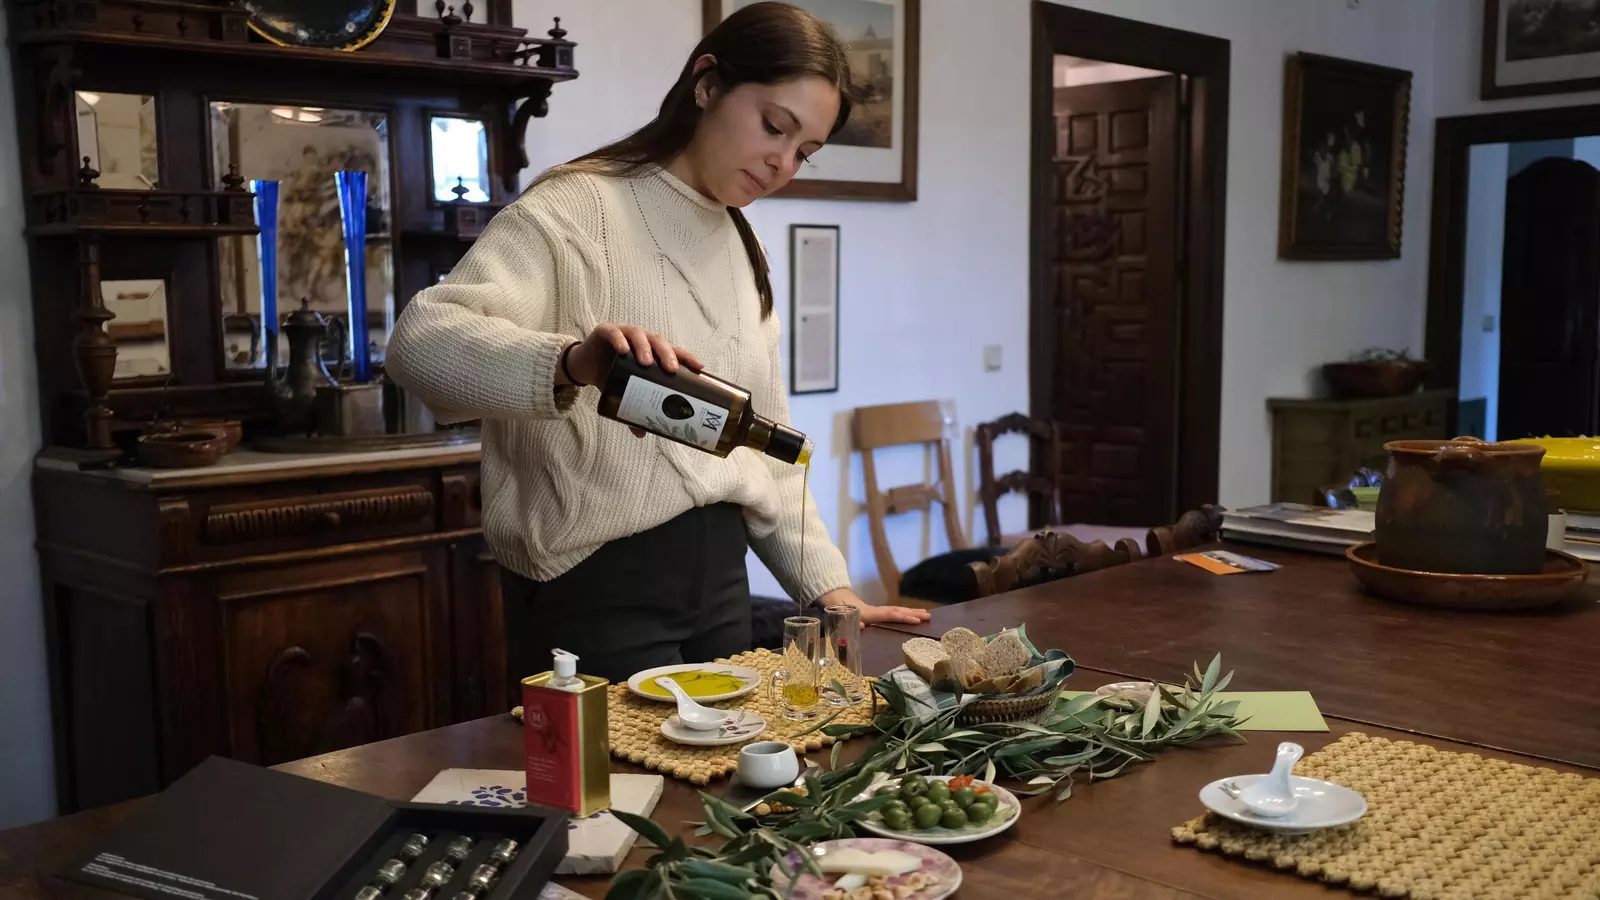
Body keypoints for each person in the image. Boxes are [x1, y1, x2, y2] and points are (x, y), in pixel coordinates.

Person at [386, 1, 931, 686]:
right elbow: (420, 344)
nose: (783, 162)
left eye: (804, 151)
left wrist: (830, 592)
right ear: (707, 84)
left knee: (727, 788)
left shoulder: (743, 243)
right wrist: (571, 362)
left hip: (722, 587)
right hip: (590, 588)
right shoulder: (575, 209)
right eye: (774, 127)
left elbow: (770, 450)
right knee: (619, 793)